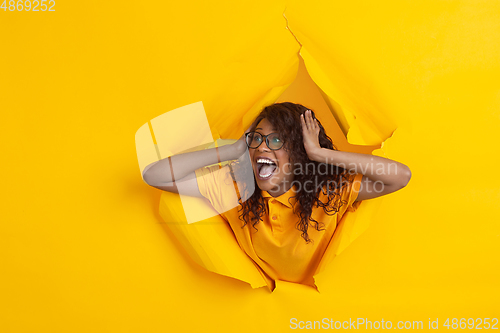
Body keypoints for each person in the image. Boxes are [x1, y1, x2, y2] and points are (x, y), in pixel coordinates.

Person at [142, 102, 411, 290]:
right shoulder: (234, 189)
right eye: (256, 139)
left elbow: (400, 176)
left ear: (299, 152)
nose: (262, 148)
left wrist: (321, 154)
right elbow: (155, 175)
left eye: (277, 141)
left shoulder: (330, 191)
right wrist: (231, 150)